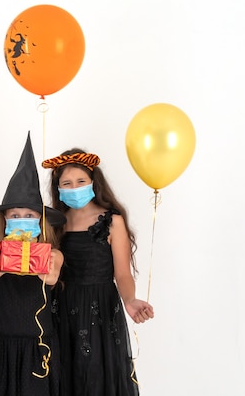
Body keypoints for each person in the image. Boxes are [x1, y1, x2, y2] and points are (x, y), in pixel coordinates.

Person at [41, 148, 154, 396]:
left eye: (81, 181)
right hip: (60, 306)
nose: (74, 187)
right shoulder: (52, 222)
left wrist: (130, 300)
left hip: (99, 309)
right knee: (63, 373)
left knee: (94, 376)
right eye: (67, 183)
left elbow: (122, 273)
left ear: (93, 182)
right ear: (58, 188)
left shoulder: (112, 221)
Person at [0, 132, 65, 396]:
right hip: (1, 342)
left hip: (39, 343)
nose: (22, 219)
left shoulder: (54, 254)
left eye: (29, 215)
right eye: (15, 215)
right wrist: (14, 247)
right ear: (4, 220)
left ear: (40, 221)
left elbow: (49, 278)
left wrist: (35, 251)